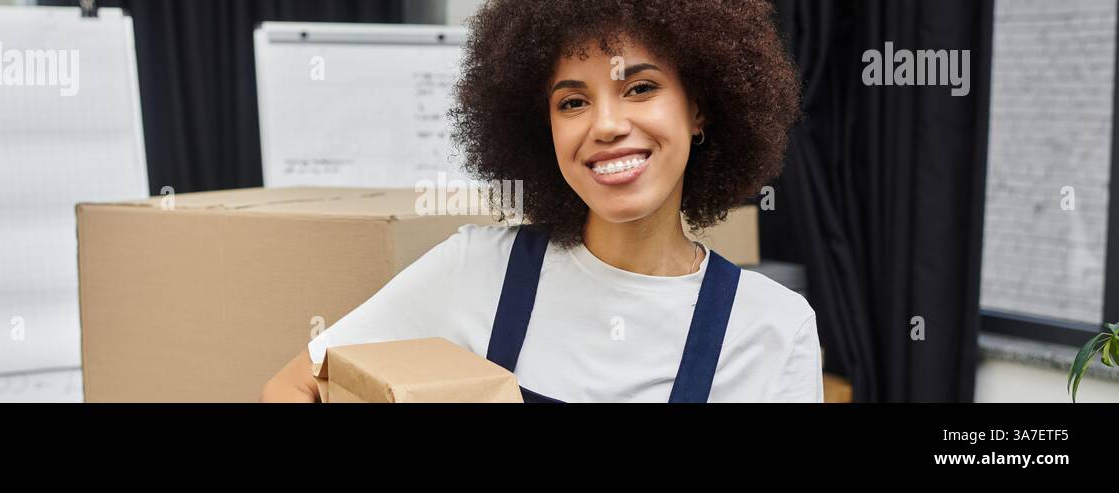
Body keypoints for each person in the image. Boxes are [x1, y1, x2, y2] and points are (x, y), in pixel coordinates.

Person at [263, 0, 818, 403]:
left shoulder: (772, 327)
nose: (606, 125)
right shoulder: (479, 269)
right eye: (573, 101)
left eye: (640, 88)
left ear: (699, 108)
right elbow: (291, 385)